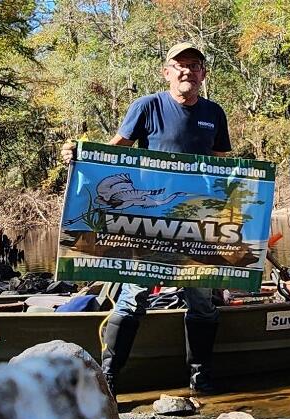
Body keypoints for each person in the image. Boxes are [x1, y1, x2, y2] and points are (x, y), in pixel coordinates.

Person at [61, 42, 230, 395]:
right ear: (166, 71)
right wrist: (79, 155)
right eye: (179, 65)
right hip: (147, 221)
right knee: (133, 297)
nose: (187, 71)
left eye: (194, 65)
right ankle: (109, 380)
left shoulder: (214, 113)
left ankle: (201, 378)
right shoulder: (147, 106)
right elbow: (114, 151)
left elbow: (223, 168)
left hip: (194, 223)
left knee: (201, 300)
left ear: (203, 73)